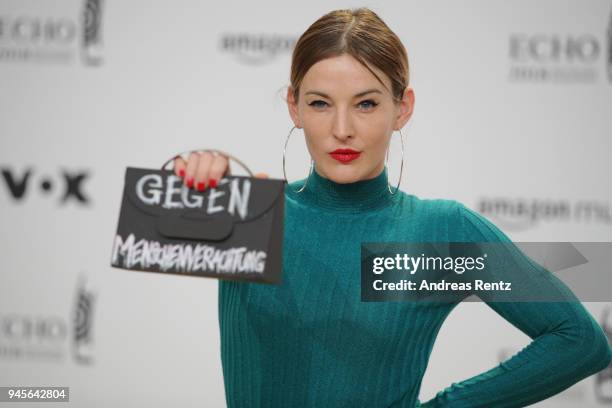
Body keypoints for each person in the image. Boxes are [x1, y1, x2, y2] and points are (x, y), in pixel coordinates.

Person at [173, 7, 612, 407]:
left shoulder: (439, 232)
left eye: (366, 103)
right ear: (294, 107)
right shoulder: (250, 214)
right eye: (320, 103)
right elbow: (152, 234)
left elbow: (581, 342)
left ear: (402, 108)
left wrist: (450, 406)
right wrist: (196, 187)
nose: (341, 129)